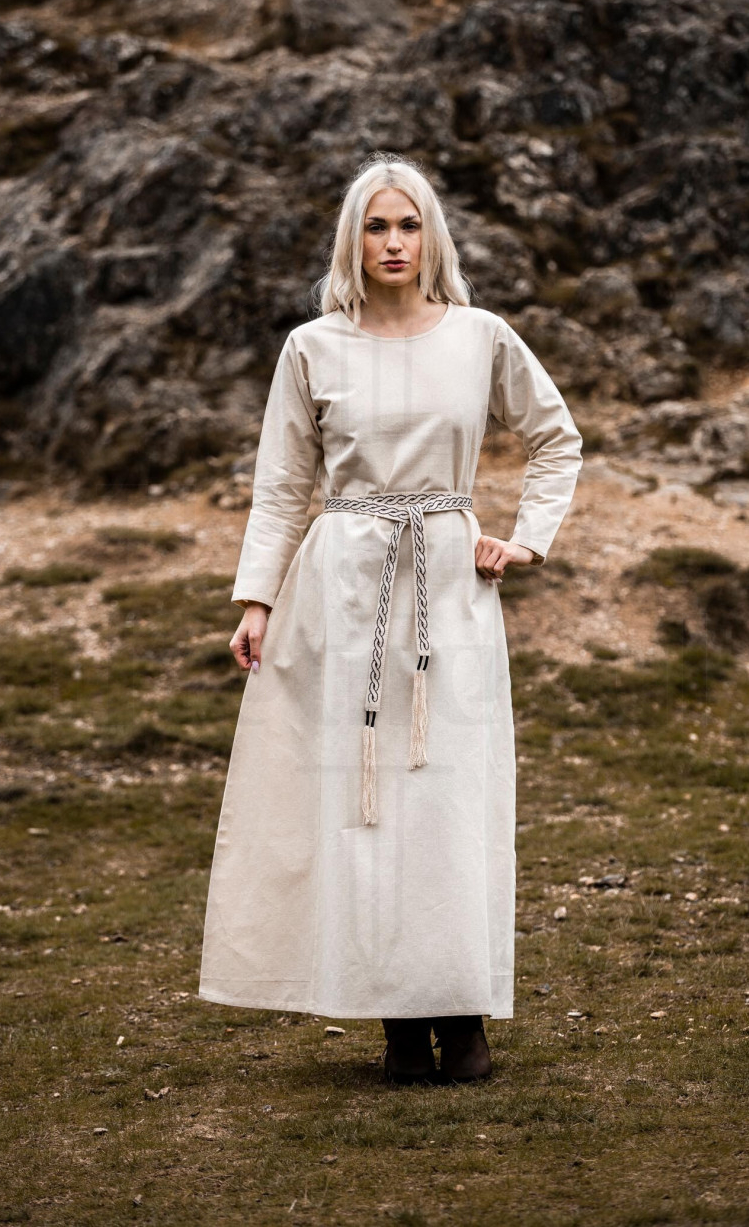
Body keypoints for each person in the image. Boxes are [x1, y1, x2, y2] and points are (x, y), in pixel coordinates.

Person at [197, 152, 583, 1085]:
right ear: (354, 240)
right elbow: (282, 485)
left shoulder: (481, 336)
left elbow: (555, 439)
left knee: (444, 794)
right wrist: (256, 599)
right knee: (360, 795)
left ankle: (461, 1011)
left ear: (431, 235)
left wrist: (526, 540)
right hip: (341, 587)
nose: (394, 242)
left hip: (447, 582)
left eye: (409, 224)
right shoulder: (313, 348)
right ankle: (397, 1022)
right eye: (377, 226)